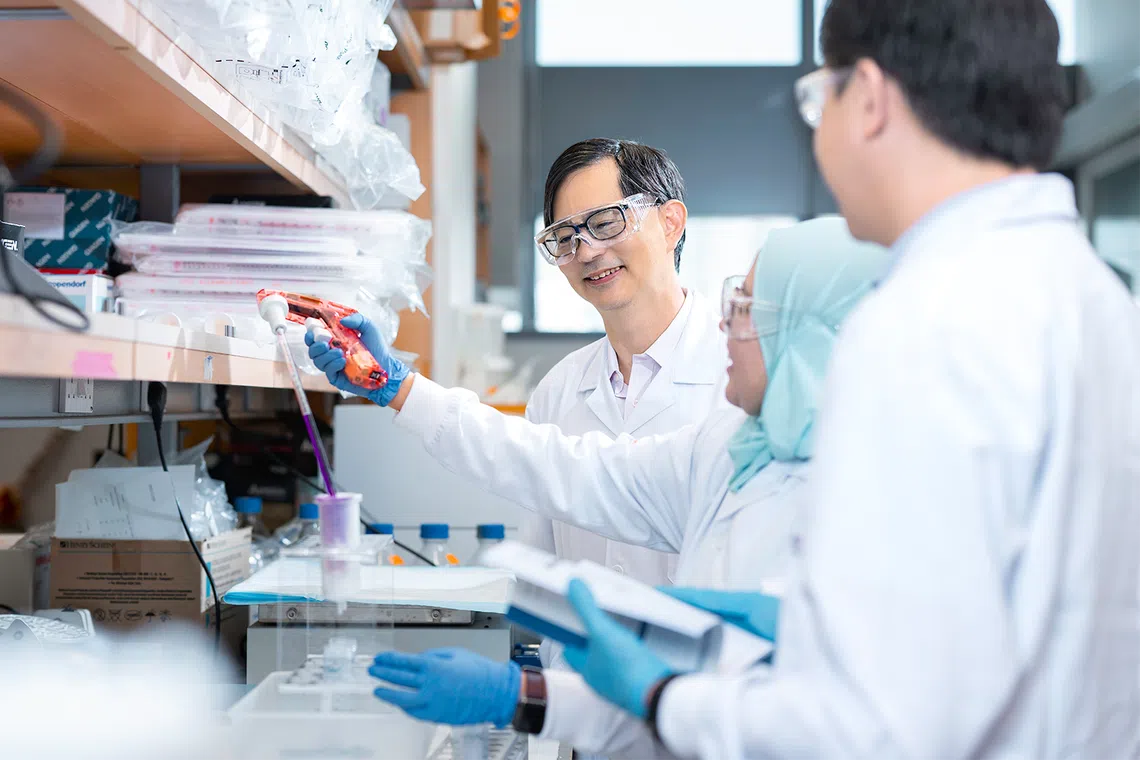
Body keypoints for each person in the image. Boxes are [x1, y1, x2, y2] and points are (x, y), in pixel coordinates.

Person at [556, 1, 1140, 758]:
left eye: (815, 97)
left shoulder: (921, 326)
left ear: (866, 98)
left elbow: (869, 728)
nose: (816, 128)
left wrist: (662, 695)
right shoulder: (1091, 292)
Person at [350, 218, 886, 758]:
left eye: (746, 309)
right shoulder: (732, 447)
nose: (726, 324)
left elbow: (757, 726)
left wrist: (641, 692)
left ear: (809, 338)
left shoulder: (870, 508)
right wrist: (402, 390)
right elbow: (571, 467)